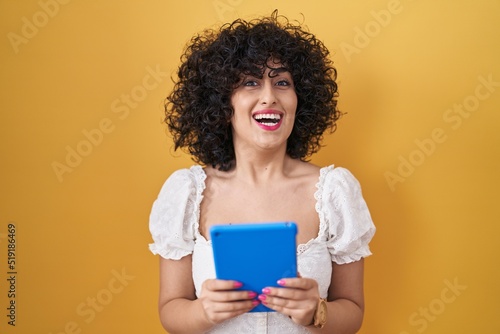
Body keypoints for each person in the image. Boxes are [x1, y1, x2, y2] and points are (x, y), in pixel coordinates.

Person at [149, 10, 376, 334]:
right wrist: (203, 312)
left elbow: (352, 312)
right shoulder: (187, 193)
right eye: (250, 83)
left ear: (301, 99)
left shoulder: (334, 191)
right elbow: (171, 310)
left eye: (282, 82)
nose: (269, 97)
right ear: (221, 103)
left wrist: (317, 311)